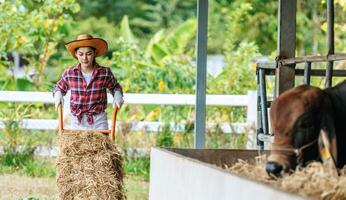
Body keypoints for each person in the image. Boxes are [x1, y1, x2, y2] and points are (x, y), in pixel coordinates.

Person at [53, 34, 124, 130]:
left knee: (100, 145)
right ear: (76, 54)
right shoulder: (70, 73)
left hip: (98, 120)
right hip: (78, 121)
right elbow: (59, 87)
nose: (85, 58)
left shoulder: (104, 73)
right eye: (81, 54)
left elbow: (115, 86)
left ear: (94, 53)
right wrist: (58, 94)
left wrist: (117, 94)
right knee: (78, 145)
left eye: (89, 53)